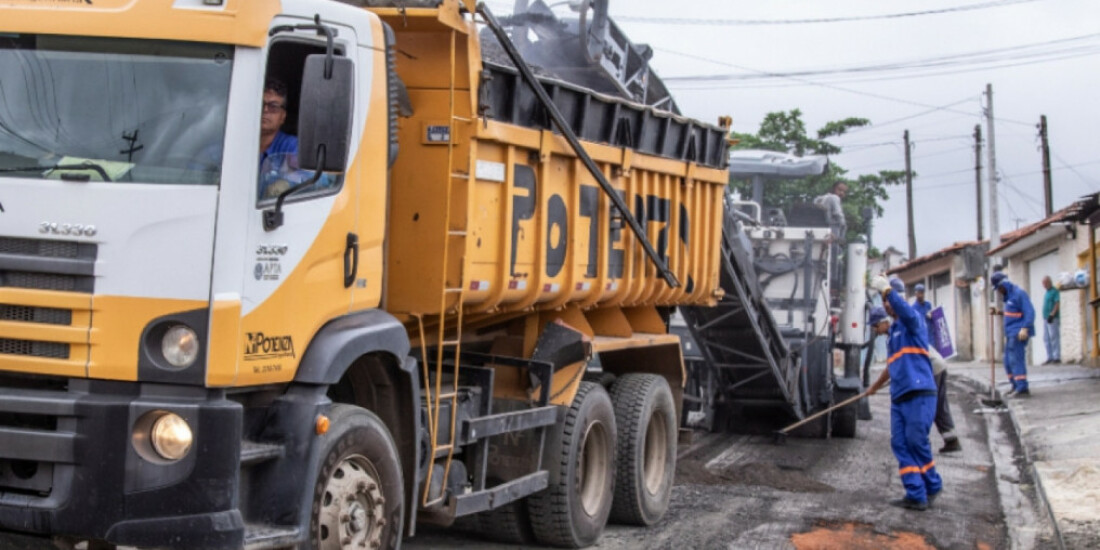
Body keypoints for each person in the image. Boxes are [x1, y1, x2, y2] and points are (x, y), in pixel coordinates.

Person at [867, 277, 943, 511]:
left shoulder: (913, 321)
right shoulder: (893, 335)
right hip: (899, 397)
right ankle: (915, 493)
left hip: (919, 393)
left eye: (888, 300)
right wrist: (874, 387)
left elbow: (903, 309)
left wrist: (887, 290)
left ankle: (932, 484)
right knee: (900, 443)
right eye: (883, 301)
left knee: (915, 441)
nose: (886, 305)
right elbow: (891, 367)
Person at [989, 272, 1035, 397]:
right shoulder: (1009, 297)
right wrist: (999, 312)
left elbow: (1030, 312)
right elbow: (1012, 313)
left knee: (1015, 360)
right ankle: (1015, 385)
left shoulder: (1019, 294)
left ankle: (1022, 388)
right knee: (1007, 361)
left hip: (1018, 333)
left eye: (999, 288)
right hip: (1010, 333)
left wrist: (1025, 328)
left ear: (1003, 285)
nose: (999, 292)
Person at [259, 77, 298, 198]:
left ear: (283, 116)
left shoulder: (292, 146)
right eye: (261, 104)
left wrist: (287, 184)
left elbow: (306, 176)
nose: (265, 110)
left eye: (273, 106)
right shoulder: (234, 142)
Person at [1041, 275, 1061, 364]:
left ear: (1049, 282)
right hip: (1045, 317)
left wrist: (1052, 314)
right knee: (1046, 338)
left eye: (1044, 283)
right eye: (1043, 283)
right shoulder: (1047, 292)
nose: (1043, 285)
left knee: (1054, 336)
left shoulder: (1054, 291)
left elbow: (1057, 303)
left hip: (1052, 317)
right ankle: (1049, 357)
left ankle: (1056, 357)